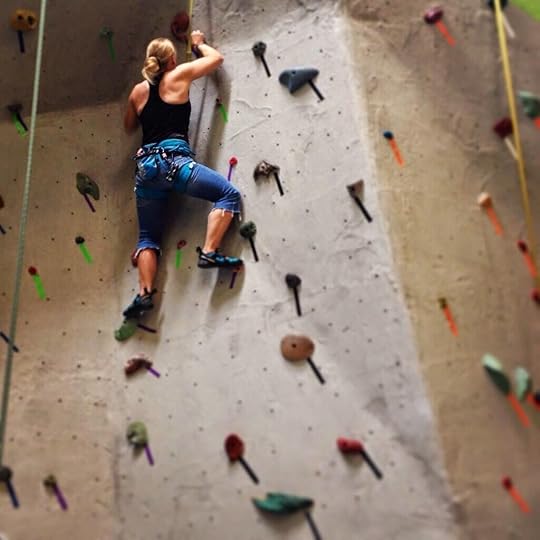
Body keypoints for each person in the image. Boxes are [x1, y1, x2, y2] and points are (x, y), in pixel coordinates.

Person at [122, 32, 243, 319]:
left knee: (147, 237)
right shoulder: (178, 75)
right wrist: (198, 43)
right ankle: (209, 252)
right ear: (172, 60)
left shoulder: (137, 92)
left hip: (146, 170)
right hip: (175, 163)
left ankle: (144, 295)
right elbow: (216, 59)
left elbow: (129, 126)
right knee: (227, 194)